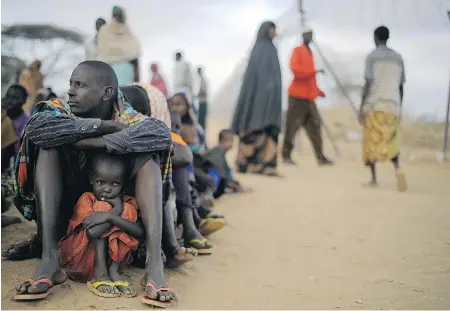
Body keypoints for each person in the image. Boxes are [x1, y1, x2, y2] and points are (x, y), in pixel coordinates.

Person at [10, 61, 176, 305]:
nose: (70, 92)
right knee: (49, 144)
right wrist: (101, 127)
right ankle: (49, 258)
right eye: (71, 84)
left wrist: (92, 142)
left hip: (115, 210)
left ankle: (154, 264)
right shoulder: (59, 109)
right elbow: (37, 129)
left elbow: (160, 134)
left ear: (107, 93)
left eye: (79, 85)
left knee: (147, 152)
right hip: (69, 208)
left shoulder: (127, 115)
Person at [58, 153, 141, 298]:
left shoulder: (127, 203)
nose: (107, 189)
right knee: (103, 207)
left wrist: (112, 215)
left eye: (115, 184)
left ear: (124, 184)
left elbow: (140, 232)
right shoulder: (87, 199)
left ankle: (113, 272)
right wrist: (114, 211)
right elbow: (94, 232)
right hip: (80, 259)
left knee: (128, 209)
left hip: (111, 261)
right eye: (100, 182)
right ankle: (100, 274)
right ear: (91, 179)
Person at [231, 21, 282, 177]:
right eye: (272, 29)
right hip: (256, 103)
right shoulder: (259, 51)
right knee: (254, 130)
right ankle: (249, 164)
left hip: (269, 102)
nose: (274, 33)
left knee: (268, 131)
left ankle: (266, 165)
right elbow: (252, 82)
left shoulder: (271, 51)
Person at [359, 26, 407, 191]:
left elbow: (368, 84)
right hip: (393, 105)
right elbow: (401, 86)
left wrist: (362, 107)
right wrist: (399, 105)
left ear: (375, 37)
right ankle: (398, 169)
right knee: (391, 140)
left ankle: (373, 179)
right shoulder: (398, 58)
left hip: (375, 105)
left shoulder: (372, 57)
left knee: (371, 142)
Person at [282, 28, 333, 166]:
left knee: (315, 126)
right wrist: (314, 71)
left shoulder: (310, 53)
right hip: (297, 97)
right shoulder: (297, 51)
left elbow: (310, 79)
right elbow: (296, 71)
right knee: (292, 126)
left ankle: (320, 156)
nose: (310, 37)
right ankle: (286, 155)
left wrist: (318, 91)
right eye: (307, 35)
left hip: (309, 98)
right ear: (303, 36)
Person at [97, 6, 141, 86]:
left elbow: (135, 54)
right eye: (115, 15)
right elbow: (102, 52)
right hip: (109, 71)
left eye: (119, 15)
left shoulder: (127, 32)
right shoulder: (105, 31)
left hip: (126, 73)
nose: (117, 18)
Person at [203, 129, 252, 196]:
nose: (231, 143)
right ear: (220, 141)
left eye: (232, 140)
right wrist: (237, 187)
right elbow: (223, 175)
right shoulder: (218, 152)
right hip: (211, 187)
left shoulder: (218, 151)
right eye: (228, 140)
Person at [2, 84, 31, 152]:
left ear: (24, 101)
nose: (9, 101)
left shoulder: (27, 123)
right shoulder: (2, 117)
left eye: (15, 98)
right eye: (8, 96)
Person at [196, 66, 208, 131]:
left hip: (203, 102)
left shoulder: (203, 81)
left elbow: (204, 92)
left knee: (202, 122)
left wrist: (197, 95)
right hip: (201, 102)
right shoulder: (201, 80)